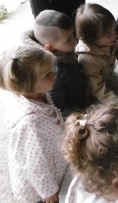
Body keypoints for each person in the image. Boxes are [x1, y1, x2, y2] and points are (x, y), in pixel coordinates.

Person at [0, 45, 67, 203]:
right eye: (46, 75)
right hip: (39, 188)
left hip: (51, 153)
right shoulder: (29, 123)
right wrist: (49, 192)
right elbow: (34, 165)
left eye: (52, 69)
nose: (53, 75)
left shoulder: (36, 94)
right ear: (27, 86)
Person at [21, 9, 88, 116]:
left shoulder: (64, 50)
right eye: (69, 39)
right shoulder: (52, 72)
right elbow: (57, 101)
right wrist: (73, 116)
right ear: (50, 47)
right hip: (72, 110)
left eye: (73, 34)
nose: (75, 40)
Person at [75, 3, 118, 102]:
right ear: (92, 39)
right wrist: (115, 102)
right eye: (109, 35)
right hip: (95, 94)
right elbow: (97, 88)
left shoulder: (110, 41)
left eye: (114, 30)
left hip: (107, 78)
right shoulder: (88, 60)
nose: (115, 35)